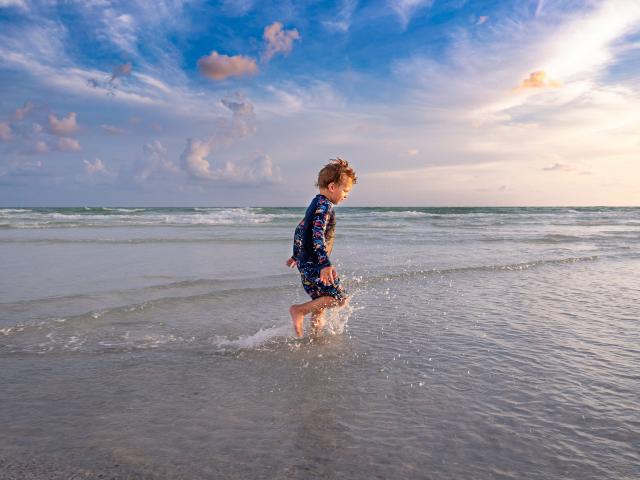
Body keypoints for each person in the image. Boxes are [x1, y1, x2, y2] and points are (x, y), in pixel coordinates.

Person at [286, 158, 357, 337]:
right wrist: (324, 263)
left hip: (307, 260)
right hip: (316, 262)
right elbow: (316, 233)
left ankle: (315, 338)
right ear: (332, 187)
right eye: (345, 190)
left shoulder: (315, 204)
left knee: (320, 302)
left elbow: (301, 228)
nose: (346, 195)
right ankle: (299, 311)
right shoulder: (324, 206)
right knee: (340, 298)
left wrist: (296, 254)